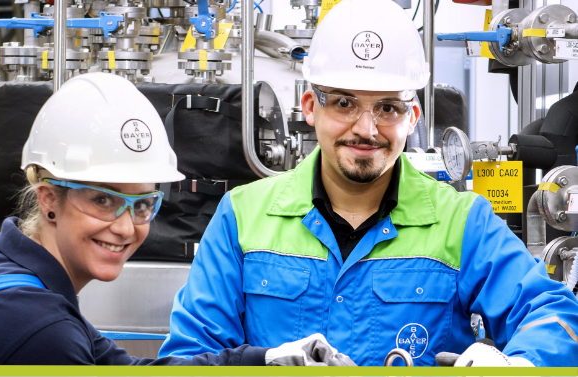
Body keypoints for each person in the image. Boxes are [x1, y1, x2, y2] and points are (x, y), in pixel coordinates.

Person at [158, 0, 578, 367]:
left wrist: (515, 362)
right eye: (344, 102)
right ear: (310, 106)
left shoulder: (463, 222)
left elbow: (554, 314)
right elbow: (189, 355)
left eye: (388, 108)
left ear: (412, 117)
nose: (366, 128)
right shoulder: (242, 217)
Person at [0, 73, 348, 366]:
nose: (125, 227)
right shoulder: (41, 328)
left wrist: (264, 359)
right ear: (48, 199)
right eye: (103, 201)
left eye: (143, 204)